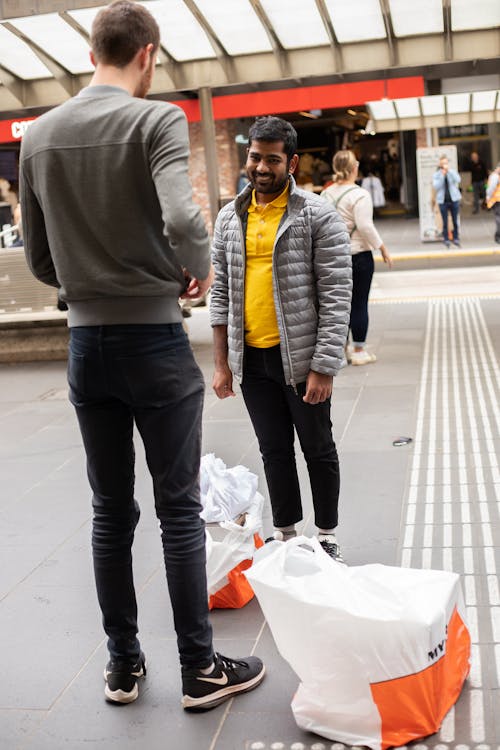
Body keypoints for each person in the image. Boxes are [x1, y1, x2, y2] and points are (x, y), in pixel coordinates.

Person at [20, 0, 264, 712]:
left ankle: (123, 669)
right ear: (148, 55)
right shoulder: (155, 119)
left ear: (92, 51)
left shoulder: (40, 135)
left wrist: (80, 283)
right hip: (154, 340)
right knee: (179, 509)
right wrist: (196, 268)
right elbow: (186, 218)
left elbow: (38, 255)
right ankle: (199, 671)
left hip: (86, 346)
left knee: (108, 510)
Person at [210, 116, 352, 562]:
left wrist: (323, 366)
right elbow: (220, 294)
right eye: (255, 157)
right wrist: (221, 364)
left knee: (318, 448)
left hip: (301, 359)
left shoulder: (318, 215)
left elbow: (336, 295)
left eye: (273, 159)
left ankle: (326, 536)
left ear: (291, 162)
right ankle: (287, 536)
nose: (262, 167)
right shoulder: (230, 217)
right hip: (252, 359)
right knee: (273, 449)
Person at [322, 150, 392, 366]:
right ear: (354, 168)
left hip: (332, 258)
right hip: (358, 255)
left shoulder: (325, 195)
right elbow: (364, 226)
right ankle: (359, 351)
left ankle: (339, 351)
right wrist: (382, 247)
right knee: (358, 304)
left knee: (335, 306)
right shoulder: (359, 195)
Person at [432, 155, 461, 248]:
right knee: (444, 221)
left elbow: (458, 180)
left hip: (454, 199)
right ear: (440, 165)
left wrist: (449, 172)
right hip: (442, 201)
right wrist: (442, 175)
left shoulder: (452, 172)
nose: (444, 165)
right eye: (443, 163)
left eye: (446, 163)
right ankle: (446, 239)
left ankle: (456, 237)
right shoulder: (437, 175)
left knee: (455, 220)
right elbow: (436, 186)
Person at [486, 162, 500, 245]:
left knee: (498, 218)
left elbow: (491, 188)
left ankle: (498, 236)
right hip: (497, 199)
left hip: (496, 199)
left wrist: (488, 197)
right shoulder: (496, 176)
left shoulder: (494, 176)